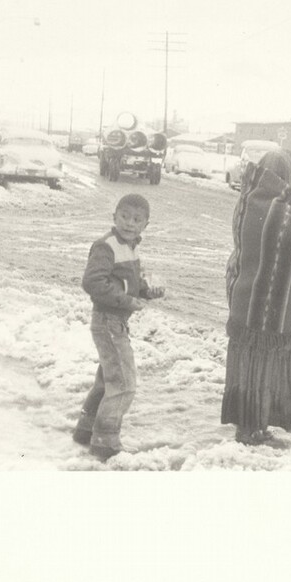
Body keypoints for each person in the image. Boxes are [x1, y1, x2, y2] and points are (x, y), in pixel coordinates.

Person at [222, 149, 291, 445]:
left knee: (253, 369)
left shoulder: (250, 198)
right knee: (266, 366)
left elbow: (275, 245)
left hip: (247, 302)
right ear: (283, 174)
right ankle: (251, 429)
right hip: (265, 310)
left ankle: (250, 424)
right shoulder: (277, 204)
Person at [72, 193, 165, 462]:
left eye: (137, 219)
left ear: (145, 225)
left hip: (116, 322)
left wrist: (148, 291)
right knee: (124, 383)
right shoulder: (106, 246)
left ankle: (86, 429)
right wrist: (125, 300)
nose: (129, 223)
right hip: (108, 322)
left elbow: (126, 283)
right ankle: (105, 441)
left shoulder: (131, 247)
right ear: (114, 216)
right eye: (124, 216)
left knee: (107, 380)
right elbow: (93, 282)